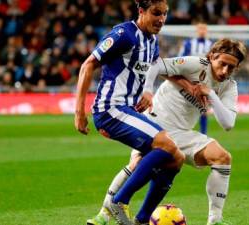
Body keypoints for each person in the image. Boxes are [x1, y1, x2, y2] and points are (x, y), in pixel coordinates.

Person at [88, 38, 247, 225]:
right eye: (222, 64)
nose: (225, 71)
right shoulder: (196, 64)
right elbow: (156, 65)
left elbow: (228, 123)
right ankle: (104, 214)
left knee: (222, 157)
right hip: (156, 122)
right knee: (137, 162)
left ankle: (215, 220)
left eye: (231, 67)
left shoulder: (229, 86)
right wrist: (149, 90)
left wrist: (210, 94)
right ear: (212, 56)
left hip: (182, 132)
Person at [75, 1, 185, 225]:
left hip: (128, 110)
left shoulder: (152, 41)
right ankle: (118, 202)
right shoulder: (124, 34)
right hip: (110, 110)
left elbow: (154, 68)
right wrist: (79, 111)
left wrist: (147, 91)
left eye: (165, 14)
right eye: (156, 13)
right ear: (141, 11)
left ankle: (141, 219)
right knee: (167, 145)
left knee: (176, 159)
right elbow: (88, 65)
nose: (161, 19)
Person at [178, 22, 213, 135]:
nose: (202, 31)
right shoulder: (188, 44)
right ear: (197, 30)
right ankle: (182, 131)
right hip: (189, 80)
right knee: (184, 106)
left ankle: (203, 133)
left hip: (204, 80)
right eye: (200, 29)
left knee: (203, 107)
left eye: (204, 28)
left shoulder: (211, 45)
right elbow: (180, 59)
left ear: (206, 30)